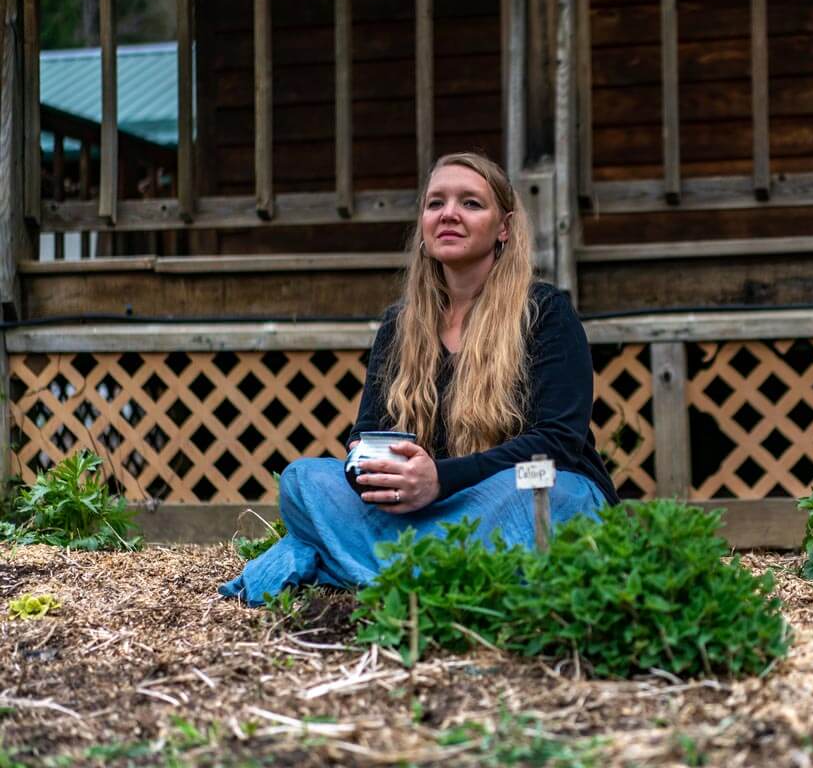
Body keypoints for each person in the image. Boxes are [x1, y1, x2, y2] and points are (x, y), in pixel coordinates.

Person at [219, 152, 618, 604]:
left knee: (532, 493)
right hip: (426, 509)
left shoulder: (545, 312)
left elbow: (558, 442)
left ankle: (343, 562)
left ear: (503, 227)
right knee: (303, 480)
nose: (449, 214)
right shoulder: (401, 324)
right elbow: (367, 432)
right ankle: (444, 573)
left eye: (470, 203)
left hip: (525, 491)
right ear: (424, 226)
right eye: (436, 203)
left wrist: (440, 480)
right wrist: (376, 473)